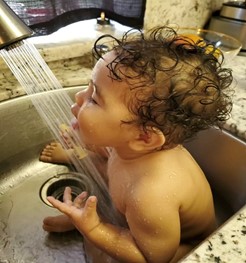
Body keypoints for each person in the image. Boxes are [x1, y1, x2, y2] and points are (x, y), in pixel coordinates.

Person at [40, 26, 233, 263]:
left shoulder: (151, 194)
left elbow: (150, 257)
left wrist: (93, 229)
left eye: (94, 98)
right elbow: (108, 149)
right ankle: (87, 214)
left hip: (179, 247)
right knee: (104, 165)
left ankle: (89, 225)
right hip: (140, 219)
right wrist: (81, 144)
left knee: (106, 253)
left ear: (144, 138)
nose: (79, 96)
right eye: (88, 86)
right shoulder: (132, 143)